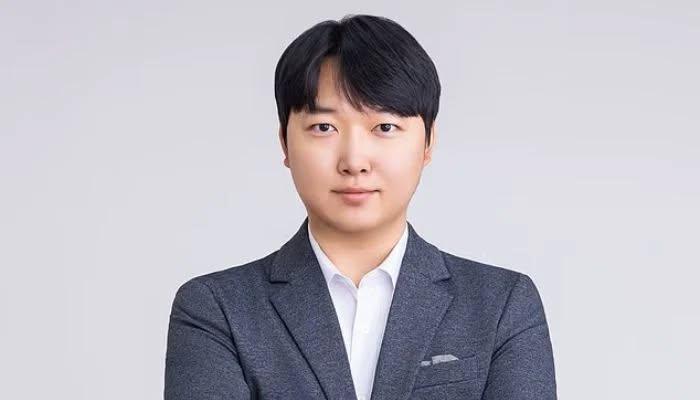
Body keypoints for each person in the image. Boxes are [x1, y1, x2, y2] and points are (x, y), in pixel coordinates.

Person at [164, 14, 557, 400]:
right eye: (324, 128)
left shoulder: (502, 305)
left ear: (428, 143)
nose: (354, 161)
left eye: (384, 127)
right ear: (285, 142)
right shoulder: (217, 310)